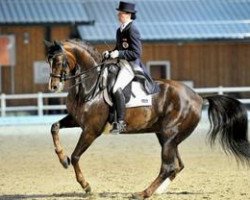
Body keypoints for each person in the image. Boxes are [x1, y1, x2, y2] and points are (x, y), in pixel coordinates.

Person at [103, 1, 158, 133]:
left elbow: (136, 53)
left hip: (130, 66)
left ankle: (121, 122)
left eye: (121, 13)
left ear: (128, 15)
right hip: (120, 63)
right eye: (119, 12)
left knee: (116, 88)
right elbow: (119, 48)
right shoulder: (119, 30)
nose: (118, 15)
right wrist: (110, 53)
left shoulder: (133, 30)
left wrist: (119, 53)